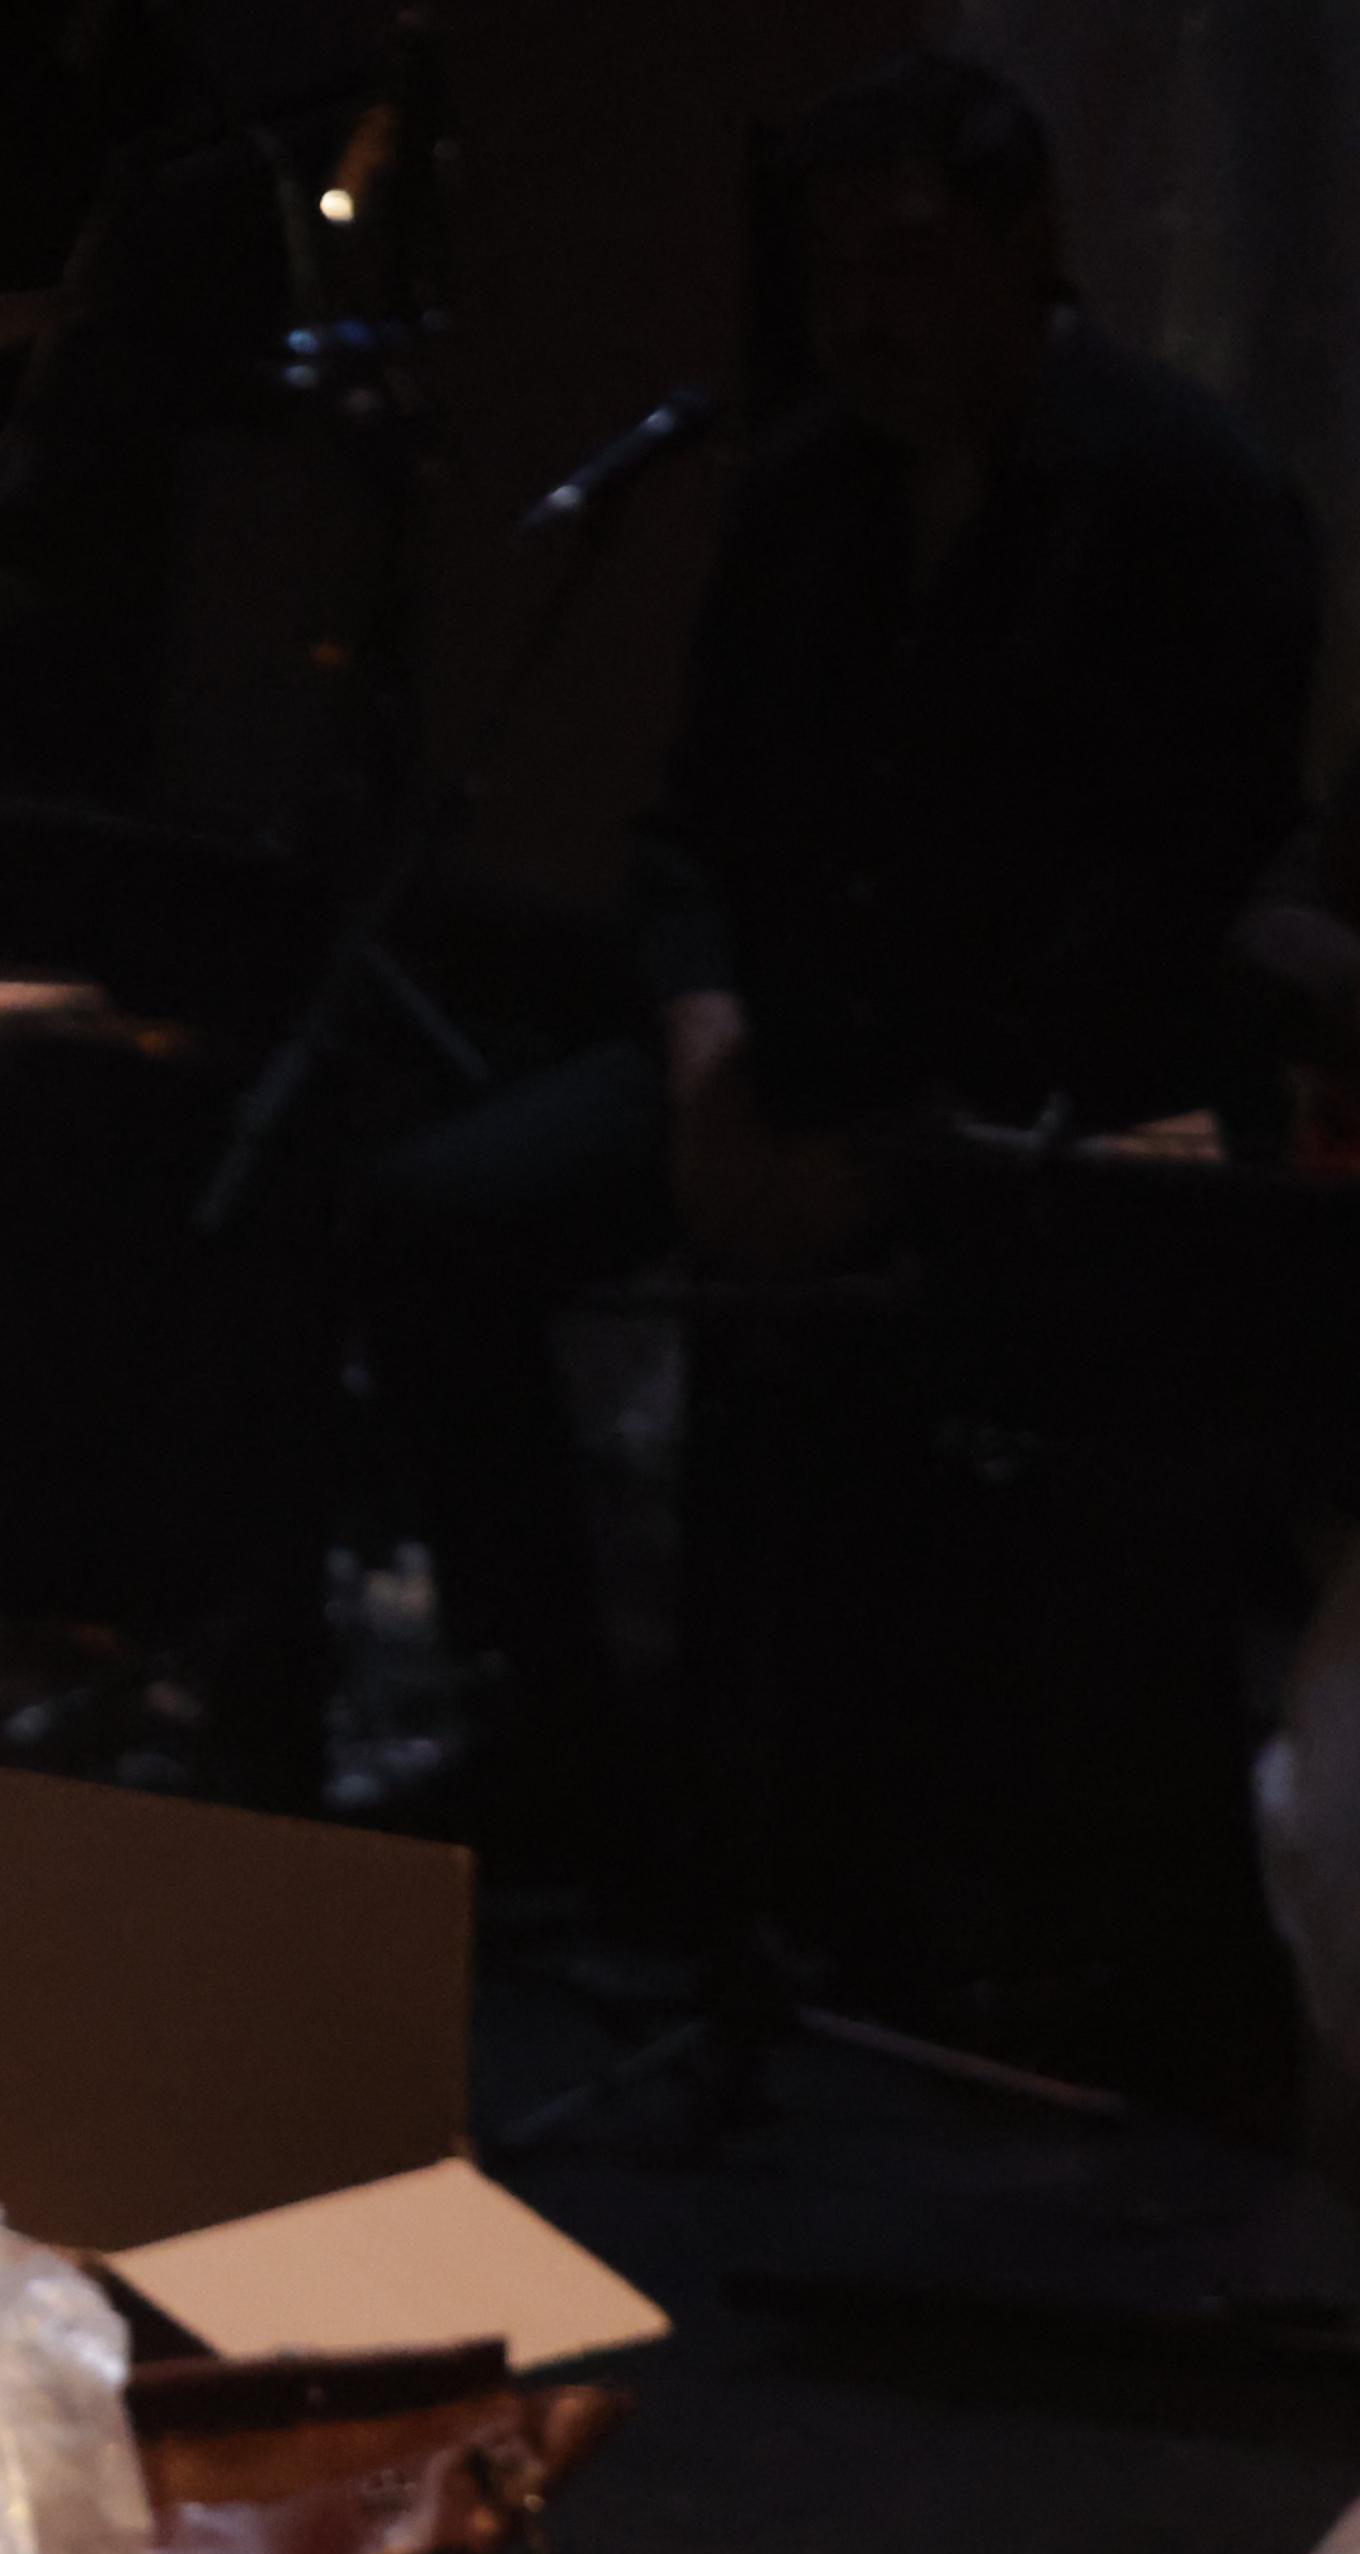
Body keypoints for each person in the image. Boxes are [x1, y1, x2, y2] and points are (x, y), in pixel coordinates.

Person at [352, 52, 1315, 1858]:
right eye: (836, 272)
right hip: (777, 1054)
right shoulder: (806, 491)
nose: (865, 315)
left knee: (942, 1367)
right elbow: (690, 827)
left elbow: (1168, 902)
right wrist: (712, 1049)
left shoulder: (1186, 493)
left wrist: (878, 1133)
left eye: (908, 261)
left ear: (1028, 244)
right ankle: (562, 1731)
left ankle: (911, 1830)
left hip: (1030, 1095)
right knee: (428, 1222)